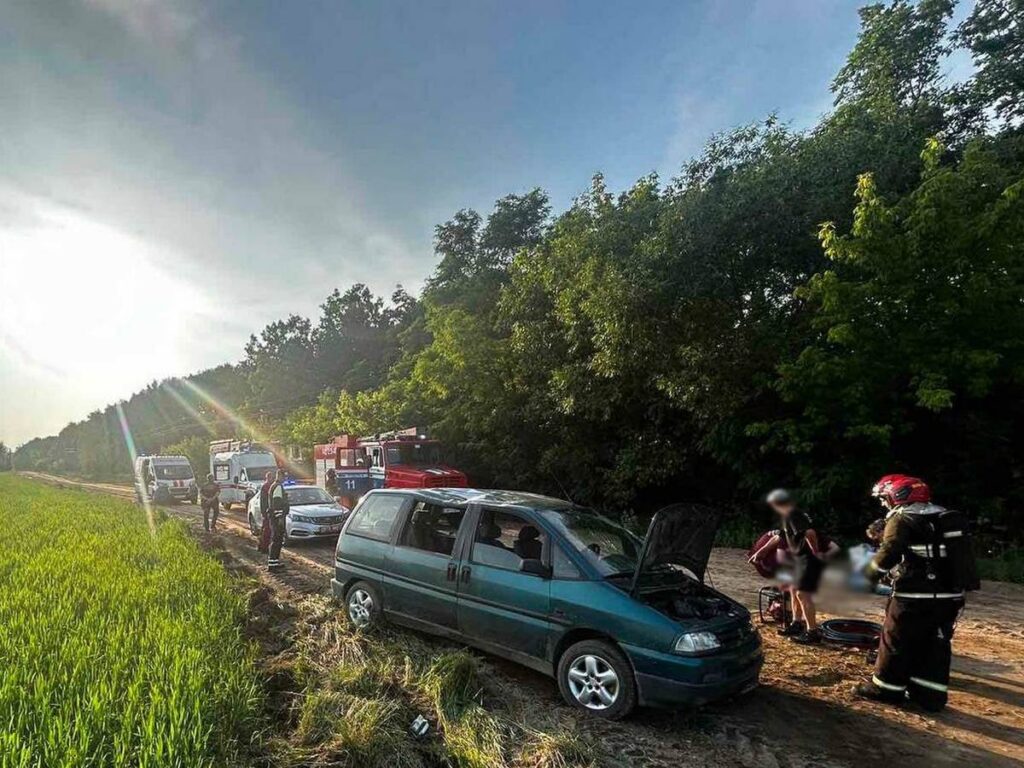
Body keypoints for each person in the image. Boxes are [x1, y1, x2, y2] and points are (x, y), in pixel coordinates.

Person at [854, 475, 978, 712]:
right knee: (935, 646)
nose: (884, 504)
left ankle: (885, 689)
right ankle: (930, 696)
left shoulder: (902, 519)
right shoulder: (947, 518)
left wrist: (867, 576)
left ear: (896, 496)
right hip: (948, 598)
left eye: (884, 499)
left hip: (912, 597)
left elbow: (889, 551)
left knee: (895, 641)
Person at [752, 489, 831, 644]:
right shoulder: (788, 516)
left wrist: (814, 552)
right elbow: (780, 536)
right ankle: (797, 623)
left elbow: (810, 532)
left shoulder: (794, 515)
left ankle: (812, 632)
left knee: (803, 594)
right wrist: (762, 552)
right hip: (798, 559)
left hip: (807, 559)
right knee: (793, 590)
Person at [267, 469, 289, 570]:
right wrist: (280, 517)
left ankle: (274, 562)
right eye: (284, 476)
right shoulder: (278, 487)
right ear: (279, 475)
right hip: (277, 519)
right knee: (277, 540)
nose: (285, 479)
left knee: (276, 539)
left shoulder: (274, 486)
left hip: (274, 517)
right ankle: (273, 563)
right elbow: (277, 504)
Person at [258, 471, 274, 554]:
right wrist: (264, 512)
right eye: (271, 478)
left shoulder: (268, 486)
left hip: (267, 511)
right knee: (266, 531)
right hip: (267, 512)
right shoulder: (266, 487)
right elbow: (263, 501)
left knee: (264, 530)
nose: (271, 479)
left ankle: (261, 546)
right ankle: (264, 547)